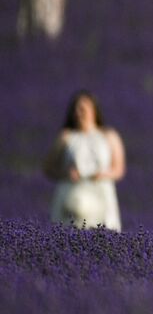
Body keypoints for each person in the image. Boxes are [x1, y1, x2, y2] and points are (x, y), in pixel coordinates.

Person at [43, 91, 124, 231]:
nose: (78, 113)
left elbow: (118, 169)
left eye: (82, 109)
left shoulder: (109, 136)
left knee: (104, 235)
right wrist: (66, 173)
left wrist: (103, 174)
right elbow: (48, 168)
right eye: (75, 109)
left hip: (101, 195)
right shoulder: (66, 137)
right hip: (71, 197)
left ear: (94, 111)